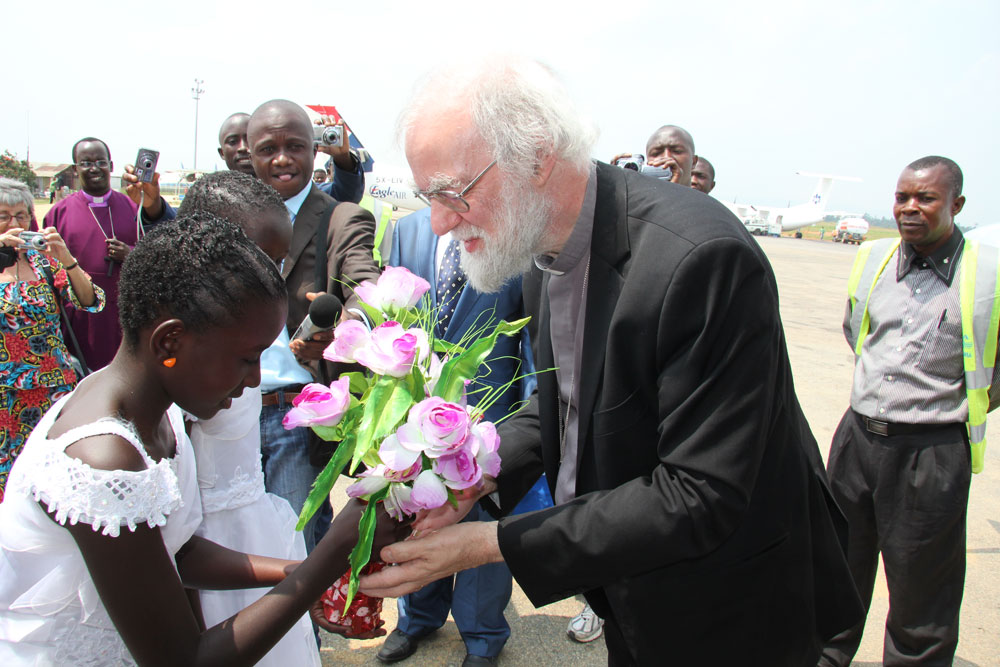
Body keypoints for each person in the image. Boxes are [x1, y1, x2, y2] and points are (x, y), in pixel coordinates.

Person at [358, 56, 864, 665]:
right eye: (426, 197)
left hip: (730, 605)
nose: (439, 222)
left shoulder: (699, 259)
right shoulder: (543, 241)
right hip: (628, 587)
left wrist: (488, 543)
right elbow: (562, 408)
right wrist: (473, 477)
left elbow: (700, 493)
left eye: (453, 193)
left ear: (537, 157)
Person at [0, 213, 408, 665]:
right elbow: (185, 660)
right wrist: (327, 556)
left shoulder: (159, 411)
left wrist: (295, 573)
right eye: (246, 359)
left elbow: (179, 550)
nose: (255, 380)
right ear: (170, 343)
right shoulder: (103, 460)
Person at [820, 156, 994, 666]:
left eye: (926, 198)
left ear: (956, 205)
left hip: (930, 453)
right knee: (835, 571)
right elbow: (859, 332)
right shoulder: (873, 259)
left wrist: (937, 403)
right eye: (902, 197)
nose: (910, 208)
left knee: (922, 597)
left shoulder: (985, 274)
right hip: (857, 442)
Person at [375, 208, 534, 666]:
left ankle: (483, 637)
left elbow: (529, 337)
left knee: (481, 530)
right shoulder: (405, 230)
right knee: (418, 520)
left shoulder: (511, 231)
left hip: (488, 418)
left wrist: (521, 420)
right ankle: (416, 620)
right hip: (413, 416)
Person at [176, 171, 317, 666]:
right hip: (209, 556)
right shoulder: (188, 364)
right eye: (260, 262)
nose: (271, 277)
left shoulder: (239, 337)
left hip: (251, 532)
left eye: (277, 263)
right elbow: (174, 535)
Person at [247, 99, 381, 553]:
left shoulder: (342, 218)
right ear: (249, 153)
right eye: (268, 148)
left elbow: (366, 286)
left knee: (293, 553)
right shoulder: (231, 219)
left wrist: (345, 328)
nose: (282, 158)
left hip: (295, 419)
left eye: (295, 146)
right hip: (227, 414)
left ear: (315, 151)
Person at [0, 178, 105, 500]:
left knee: (50, 479)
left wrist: (66, 258)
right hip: (5, 397)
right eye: (4, 215)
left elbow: (91, 301)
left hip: (52, 390)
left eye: (21, 215)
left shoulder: (43, 262)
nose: (15, 223)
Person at [40, 137, 174, 371]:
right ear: (75, 169)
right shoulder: (58, 213)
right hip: (80, 316)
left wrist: (130, 253)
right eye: (86, 163)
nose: (94, 168)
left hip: (123, 311)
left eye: (100, 162)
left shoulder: (133, 207)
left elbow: (157, 255)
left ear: (111, 166)